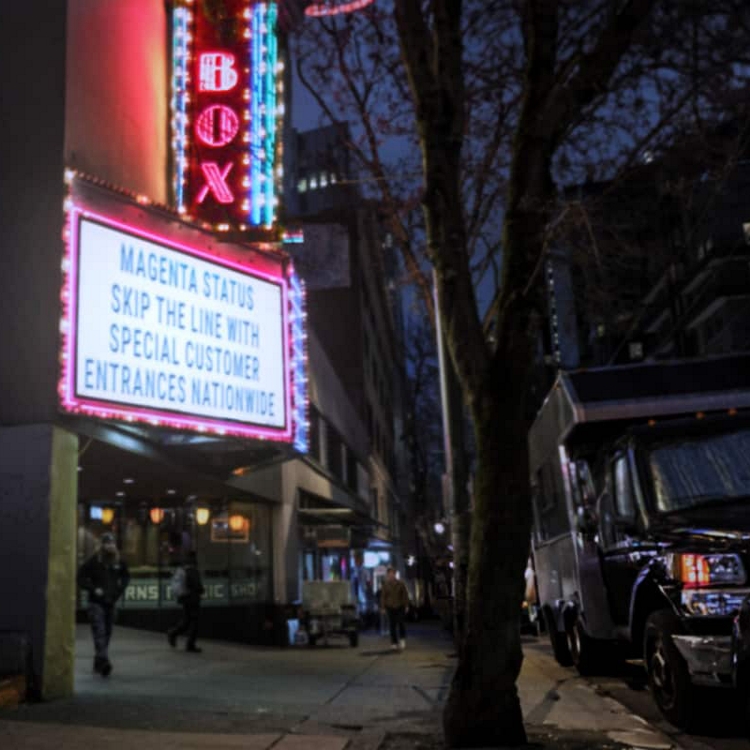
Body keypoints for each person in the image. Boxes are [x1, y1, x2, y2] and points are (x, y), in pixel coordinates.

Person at [77, 531, 130, 676]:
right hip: (96, 603)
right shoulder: (94, 561)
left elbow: (126, 576)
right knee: (99, 632)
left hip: (111, 602)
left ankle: (98, 661)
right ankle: (104, 662)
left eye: (112, 543)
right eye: (107, 543)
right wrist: (93, 589)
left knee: (107, 633)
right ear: (102, 545)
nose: (110, 546)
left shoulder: (118, 561)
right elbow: (80, 577)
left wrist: (119, 589)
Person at [167, 551, 205, 653]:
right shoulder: (193, 569)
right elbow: (196, 584)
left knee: (187, 621)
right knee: (195, 622)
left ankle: (173, 633)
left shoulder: (184, 568)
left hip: (185, 598)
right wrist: (201, 590)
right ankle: (190, 644)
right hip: (192, 598)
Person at [380, 566, 410, 650]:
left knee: (401, 623)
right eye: (389, 573)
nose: (391, 575)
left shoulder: (400, 583)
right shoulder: (385, 584)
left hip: (400, 606)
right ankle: (394, 642)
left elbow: (405, 595)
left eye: (392, 573)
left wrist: (407, 605)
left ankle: (402, 640)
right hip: (390, 606)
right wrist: (382, 607)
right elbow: (383, 596)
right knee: (392, 625)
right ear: (387, 575)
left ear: (395, 574)